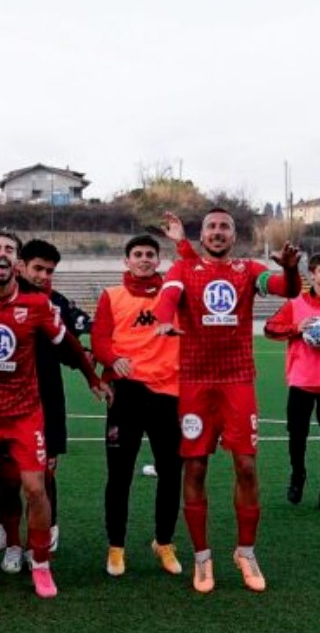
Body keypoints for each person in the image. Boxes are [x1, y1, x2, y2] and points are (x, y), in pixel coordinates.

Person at [0, 231, 106, 598]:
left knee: (36, 488)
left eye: (9, 250)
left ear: (16, 263)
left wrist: (93, 378)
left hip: (24, 414)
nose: (2, 255)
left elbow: (71, 345)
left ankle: (42, 564)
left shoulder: (38, 307)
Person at [154, 207, 300, 593]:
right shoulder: (183, 269)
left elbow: (287, 289)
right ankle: (203, 559)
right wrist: (164, 320)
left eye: (225, 227)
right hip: (196, 383)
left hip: (237, 381)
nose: (218, 232)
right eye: (212, 227)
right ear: (201, 236)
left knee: (247, 467)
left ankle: (246, 552)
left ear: (233, 236)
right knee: (196, 469)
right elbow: (166, 298)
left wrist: (288, 269)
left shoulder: (248, 270)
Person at [0, 238, 92, 569]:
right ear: (20, 266)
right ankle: (9, 527)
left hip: (46, 400)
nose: (44, 275)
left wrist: (90, 359)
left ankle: (44, 533)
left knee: (43, 473)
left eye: (49, 270)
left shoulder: (55, 304)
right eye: (38, 268)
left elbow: (74, 341)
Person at [93, 234, 183, 577]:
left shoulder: (173, 295)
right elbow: (100, 339)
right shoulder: (111, 296)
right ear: (126, 260)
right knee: (120, 475)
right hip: (126, 394)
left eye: (150, 254)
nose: (144, 259)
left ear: (158, 260)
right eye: (138, 254)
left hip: (167, 393)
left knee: (171, 472)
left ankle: (164, 542)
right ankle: (116, 547)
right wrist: (113, 359)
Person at [265, 253, 320, 506]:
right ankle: (298, 474)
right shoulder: (296, 303)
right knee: (297, 436)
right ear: (313, 273)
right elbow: (269, 328)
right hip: (301, 381)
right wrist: (297, 328)